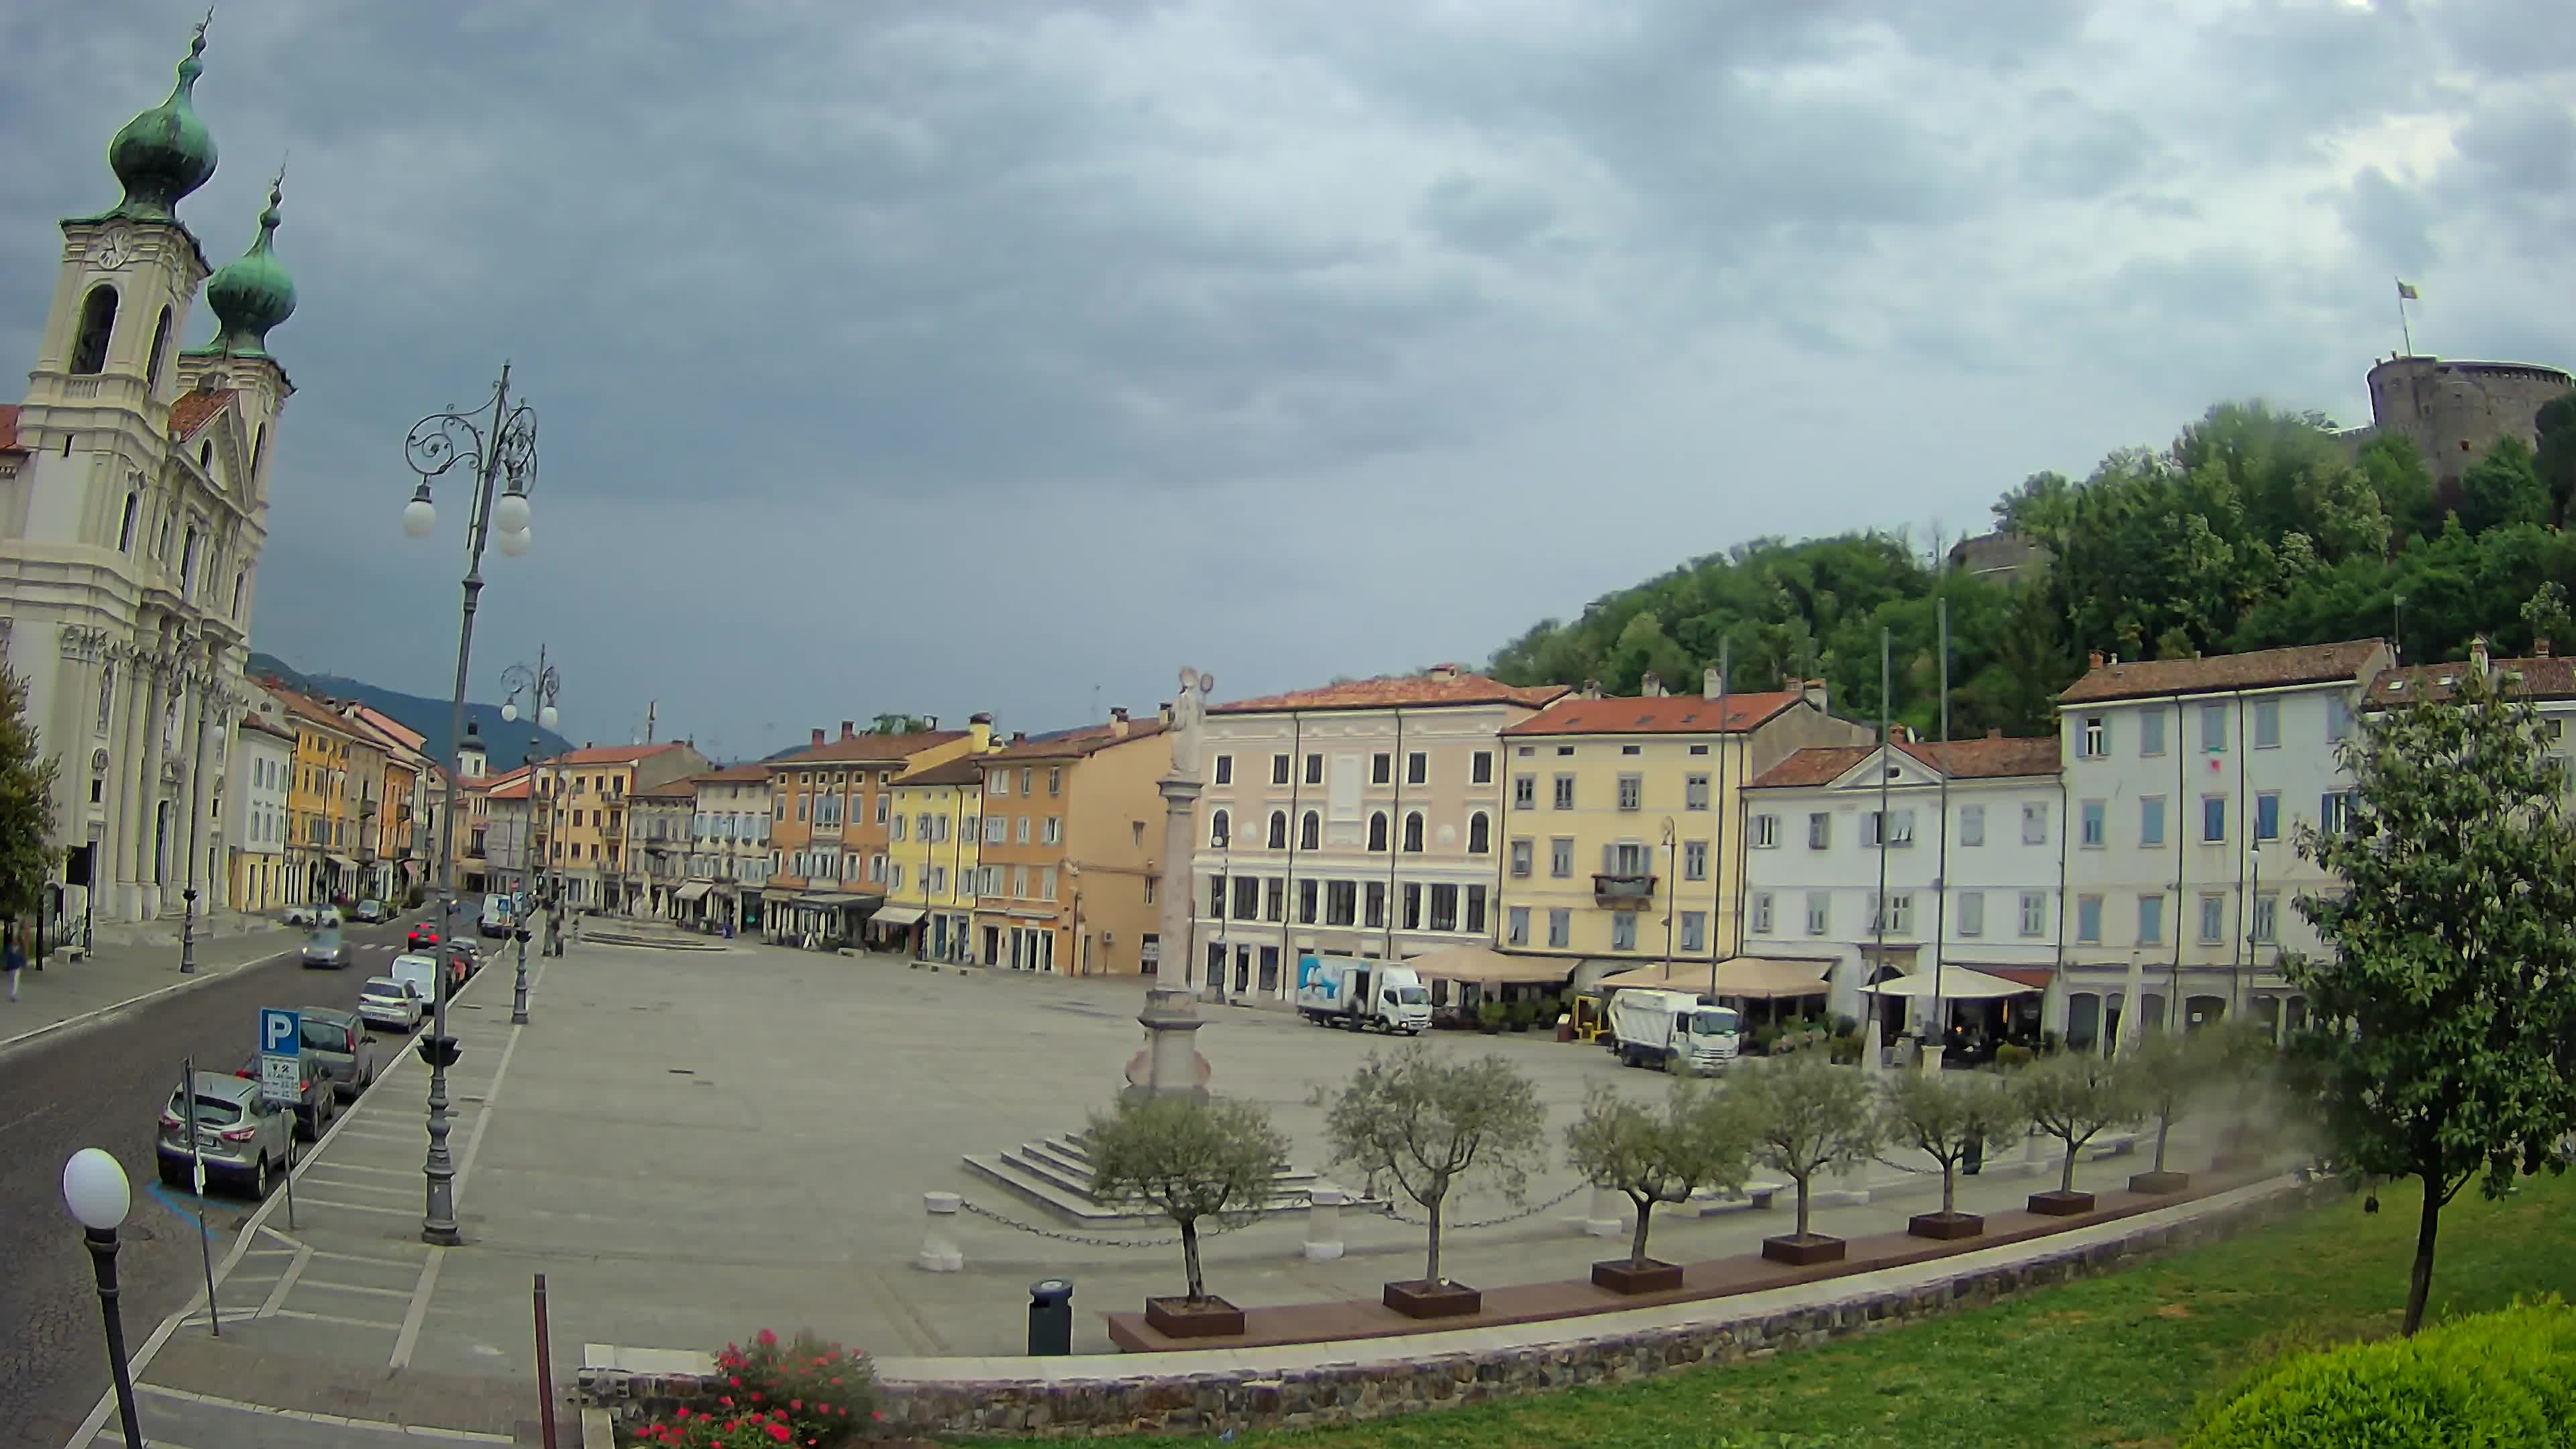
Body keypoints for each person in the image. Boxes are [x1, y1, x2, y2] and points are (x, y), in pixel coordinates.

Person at [5, 923, 25, 1002]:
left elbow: (7, 957)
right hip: (15, 968)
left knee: (12, 982)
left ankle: (13, 995)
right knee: (14, 982)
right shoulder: (18, 950)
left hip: (12, 968)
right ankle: (13, 995)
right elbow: (21, 958)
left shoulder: (11, 949)